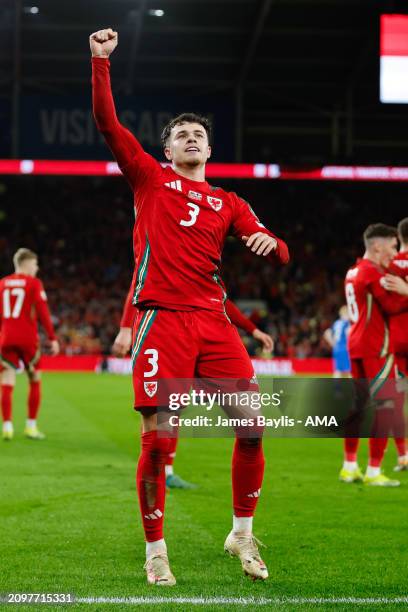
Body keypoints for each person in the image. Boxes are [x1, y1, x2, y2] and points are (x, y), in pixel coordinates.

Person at [90, 28, 289, 585]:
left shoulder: (229, 202)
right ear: (167, 150)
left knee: (252, 428)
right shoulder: (150, 181)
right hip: (163, 320)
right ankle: (156, 549)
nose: (191, 138)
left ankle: (241, 534)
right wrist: (99, 62)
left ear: (210, 147)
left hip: (215, 323)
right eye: (181, 134)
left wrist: (269, 245)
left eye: (198, 133)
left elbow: (279, 248)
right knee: (159, 436)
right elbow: (108, 125)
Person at [113, 277, 274, 489]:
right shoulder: (159, 254)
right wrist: (125, 329)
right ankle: (160, 470)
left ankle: (166, 470)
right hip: (166, 331)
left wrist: (252, 329)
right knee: (160, 409)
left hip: (197, 335)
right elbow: (137, 284)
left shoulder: (198, 263)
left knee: (174, 407)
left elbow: (219, 298)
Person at [341, 224, 408, 487]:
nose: (393, 254)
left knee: (358, 407)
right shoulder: (372, 272)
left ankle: (349, 466)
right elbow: (391, 305)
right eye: (392, 247)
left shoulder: (353, 270)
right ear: (377, 246)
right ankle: (373, 471)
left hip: (356, 344)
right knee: (387, 407)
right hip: (376, 346)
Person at [0, 248, 59, 441]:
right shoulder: (33, 283)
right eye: (35, 264)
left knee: (6, 382)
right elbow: (43, 312)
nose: (37, 268)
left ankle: (7, 427)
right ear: (25, 263)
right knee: (34, 379)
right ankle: (31, 426)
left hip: (6, 338)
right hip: (27, 339)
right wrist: (52, 338)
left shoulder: (2, 284)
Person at [383, 217, 408, 471]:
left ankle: (403, 455)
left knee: (396, 400)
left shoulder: (388, 264)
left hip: (396, 339)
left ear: (398, 238)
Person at [323, 305, 350, 378]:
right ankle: (354, 388)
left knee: (338, 370)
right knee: (349, 370)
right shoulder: (347, 323)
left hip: (337, 349)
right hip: (345, 349)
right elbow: (348, 334)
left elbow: (327, 333)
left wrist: (333, 344)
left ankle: (336, 389)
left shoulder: (336, 323)